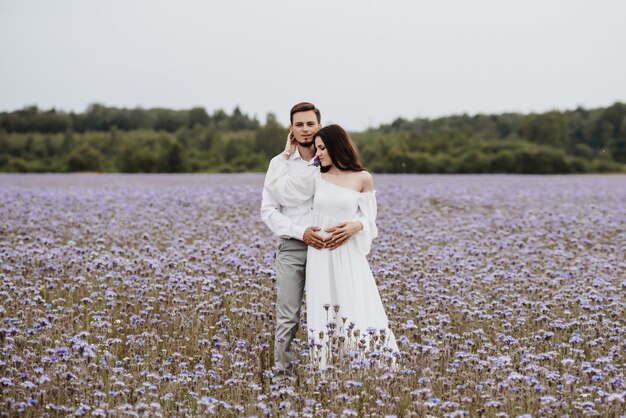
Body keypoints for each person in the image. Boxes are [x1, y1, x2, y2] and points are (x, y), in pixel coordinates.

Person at [264, 124, 398, 369]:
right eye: (316, 149)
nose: (318, 154)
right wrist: (285, 154)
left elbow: (370, 219)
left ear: (338, 146)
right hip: (320, 254)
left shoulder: (363, 178)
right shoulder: (315, 175)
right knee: (323, 309)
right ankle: (326, 370)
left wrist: (356, 225)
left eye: (323, 148)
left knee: (353, 304)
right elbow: (279, 190)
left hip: (347, 253)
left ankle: (364, 366)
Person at [261, 102, 347, 380]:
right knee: (288, 314)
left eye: (310, 123)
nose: (305, 129)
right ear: (292, 129)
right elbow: (268, 210)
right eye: (299, 124)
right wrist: (301, 232)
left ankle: (331, 371)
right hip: (293, 247)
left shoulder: (332, 163)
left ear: (319, 126)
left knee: (333, 312)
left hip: (328, 247)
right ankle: (283, 373)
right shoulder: (279, 164)